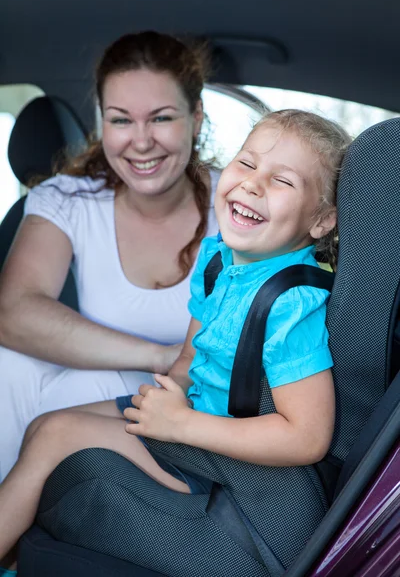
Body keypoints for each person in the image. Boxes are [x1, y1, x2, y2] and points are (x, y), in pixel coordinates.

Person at [0, 109, 352, 572]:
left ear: (323, 220)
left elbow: (306, 437)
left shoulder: (290, 304)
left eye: (282, 181)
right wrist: (170, 396)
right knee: (45, 425)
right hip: (197, 422)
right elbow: (189, 357)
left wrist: (180, 426)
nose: (252, 184)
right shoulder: (216, 260)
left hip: (241, 472)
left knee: (55, 435)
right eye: (246, 164)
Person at [0, 31, 220, 482]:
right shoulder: (68, 199)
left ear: (196, 118)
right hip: (107, 400)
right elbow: (12, 312)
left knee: (85, 385)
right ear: (103, 122)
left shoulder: (237, 204)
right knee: (13, 365)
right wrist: (159, 356)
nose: (141, 142)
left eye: (160, 118)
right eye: (121, 120)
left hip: (193, 415)